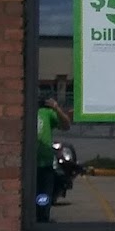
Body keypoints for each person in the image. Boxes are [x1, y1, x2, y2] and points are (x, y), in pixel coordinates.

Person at [34, 92, 72, 223]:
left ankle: (42, 219)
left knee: (43, 199)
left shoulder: (46, 112)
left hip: (44, 165)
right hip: (27, 166)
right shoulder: (23, 111)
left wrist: (56, 108)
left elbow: (66, 125)